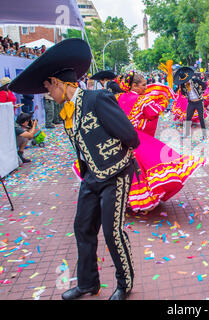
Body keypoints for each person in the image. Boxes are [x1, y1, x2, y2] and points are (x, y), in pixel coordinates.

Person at [9, 38, 140, 300]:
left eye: (48, 89)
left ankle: (124, 283)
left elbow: (131, 137)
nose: (48, 95)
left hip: (116, 174)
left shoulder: (97, 98)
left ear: (57, 83)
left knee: (112, 232)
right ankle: (88, 283)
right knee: (82, 228)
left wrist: (113, 157)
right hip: (91, 177)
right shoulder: (67, 110)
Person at [111, 71, 205, 213]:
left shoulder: (118, 98)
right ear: (134, 86)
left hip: (118, 138)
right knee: (148, 165)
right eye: (143, 85)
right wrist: (163, 101)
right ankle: (138, 199)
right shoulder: (141, 100)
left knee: (125, 170)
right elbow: (152, 112)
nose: (145, 87)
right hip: (136, 138)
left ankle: (126, 199)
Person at [174, 67, 207, 138]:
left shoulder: (195, 80)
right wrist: (183, 88)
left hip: (199, 102)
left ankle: (204, 134)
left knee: (201, 118)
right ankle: (186, 134)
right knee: (188, 118)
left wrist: (201, 91)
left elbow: (204, 85)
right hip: (191, 103)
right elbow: (183, 93)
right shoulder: (183, 85)